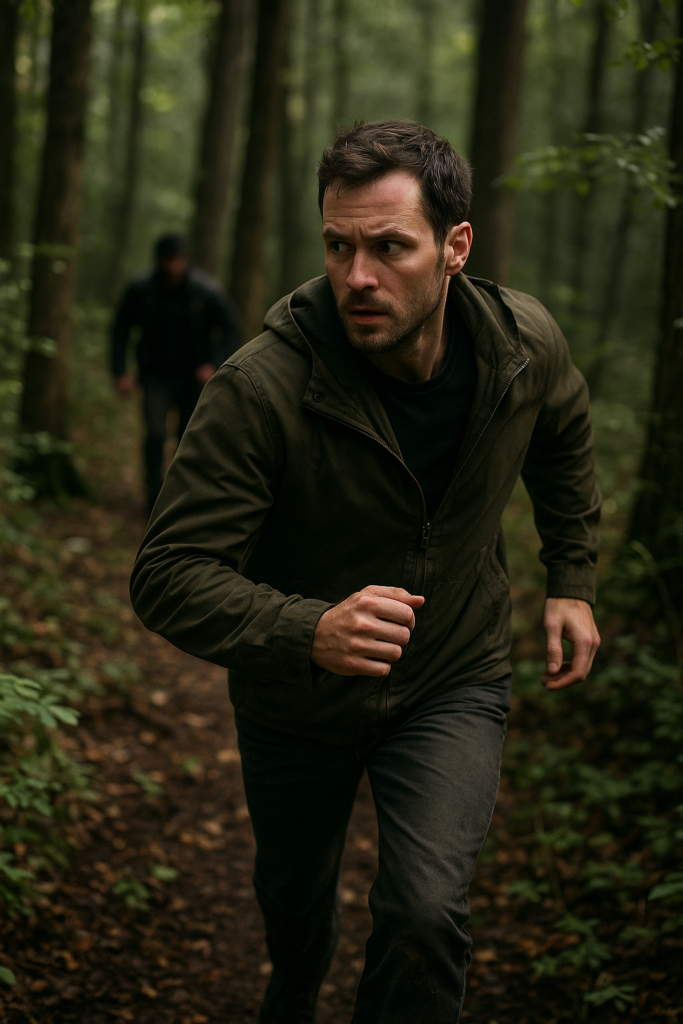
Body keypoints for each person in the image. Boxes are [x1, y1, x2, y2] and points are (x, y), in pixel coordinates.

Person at [130, 121, 601, 1023]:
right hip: (294, 703)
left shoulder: (520, 346)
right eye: (338, 246)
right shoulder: (258, 389)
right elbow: (166, 572)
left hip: (451, 675)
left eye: (389, 247)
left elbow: (564, 433)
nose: (357, 277)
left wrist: (571, 577)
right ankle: (295, 985)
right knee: (296, 912)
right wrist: (308, 630)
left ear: (454, 247)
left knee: (424, 916)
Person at [110, 232, 241, 512]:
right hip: (155, 375)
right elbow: (120, 329)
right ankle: (152, 499)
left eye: (178, 260)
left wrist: (214, 364)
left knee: (188, 439)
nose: (173, 267)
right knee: (155, 435)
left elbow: (231, 329)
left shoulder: (205, 291)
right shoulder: (142, 289)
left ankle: (180, 502)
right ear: (159, 261)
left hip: (193, 379)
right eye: (168, 260)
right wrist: (120, 371)